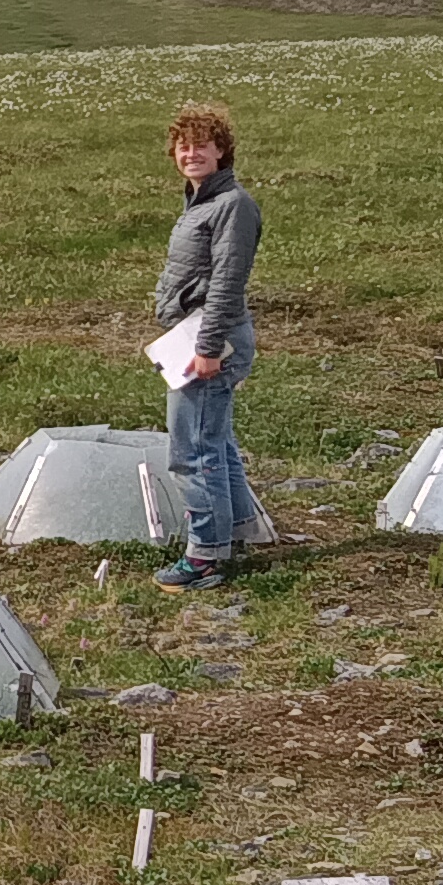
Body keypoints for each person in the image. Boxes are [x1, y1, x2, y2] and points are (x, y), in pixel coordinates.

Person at [148, 100, 266, 587]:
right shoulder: (202, 202)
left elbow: (227, 282)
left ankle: (204, 557)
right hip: (194, 334)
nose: (191, 153)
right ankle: (238, 531)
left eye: (202, 145)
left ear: (223, 151)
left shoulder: (232, 206)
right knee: (216, 441)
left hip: (209, 338)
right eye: (183, 146)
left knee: (193, 449)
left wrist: (210, 347)